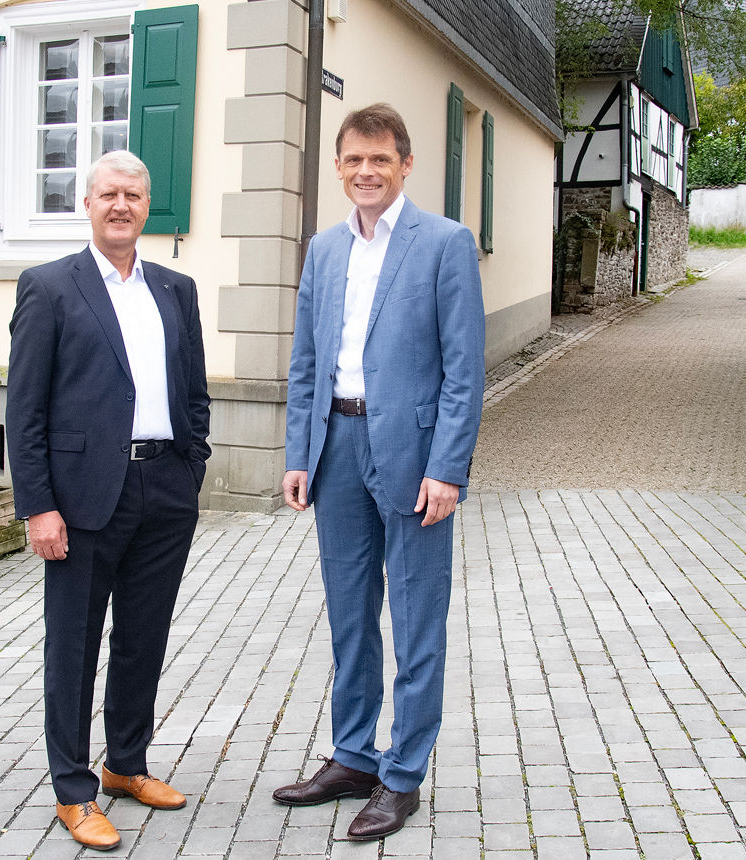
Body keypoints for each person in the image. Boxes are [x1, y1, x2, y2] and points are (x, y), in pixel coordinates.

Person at [274, 103, 485, 841]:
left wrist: (448, 468)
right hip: (337, 449)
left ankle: (402, 776)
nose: (366, 172)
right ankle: (354, 756)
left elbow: (464, 370)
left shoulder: (445, 244)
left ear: (405, 164)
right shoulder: (324, 249)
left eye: (380, 160)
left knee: (417, 621)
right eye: (354, 160)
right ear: (339, 167)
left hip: (414, 458)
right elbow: (306, 364)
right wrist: (300, 453)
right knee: (350, 618)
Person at [6, 150, 210, 851]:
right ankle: (73, 789)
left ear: (147, 206)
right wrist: (37, 505)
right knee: (74, 645)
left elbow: (194, 392)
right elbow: (24, 407)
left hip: (164, 489)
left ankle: (125, 764)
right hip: (82, 497)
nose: (121, 205)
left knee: (142, 640)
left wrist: (191, 469)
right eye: (108, 194)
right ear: (86, 204)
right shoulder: (49, 287)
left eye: (134, 195)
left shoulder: (176, 290)